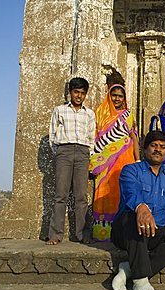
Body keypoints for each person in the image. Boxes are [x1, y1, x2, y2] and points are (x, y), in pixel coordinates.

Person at [110, 131, 165, 290]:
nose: (158, 150)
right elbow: (131, 193)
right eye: (154, 145)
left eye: (162, 147)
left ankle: (129, 269)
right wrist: (141, 207)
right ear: (145, 149)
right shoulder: (130, 170)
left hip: (155, 231)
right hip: (127, 231)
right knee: (133, 217)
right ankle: (140, 279)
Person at [47, 77, 96, 245]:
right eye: (76, 92)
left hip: (82, 152)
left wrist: (87, 153)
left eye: (82, 93)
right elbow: (53, 135)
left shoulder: (89, 113)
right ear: (70, 92)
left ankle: (82, 234)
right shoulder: (59, 110)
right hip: (64, 151)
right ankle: (55, 234)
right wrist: (60, 152)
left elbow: (91, 137)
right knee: (60, 194)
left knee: (81, 196)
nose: (79, 96)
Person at [89, 84, 140, 242]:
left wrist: (138, 160)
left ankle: (123, 230)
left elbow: (134, 138)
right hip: (104, 161)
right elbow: (94, 137)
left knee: (123, 191)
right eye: (114, 95)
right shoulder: (100, 113)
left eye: (120, 96)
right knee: (104, 192)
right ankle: (103, 232)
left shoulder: (128, 115)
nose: (117, 98)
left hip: (125, 158)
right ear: (109, 96)